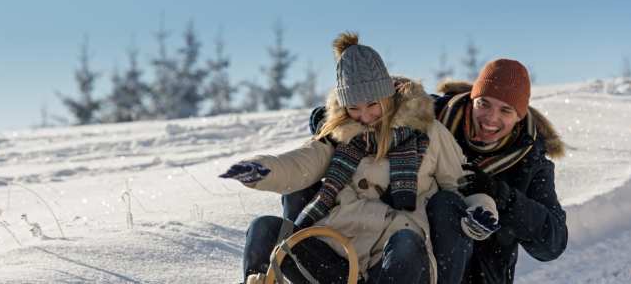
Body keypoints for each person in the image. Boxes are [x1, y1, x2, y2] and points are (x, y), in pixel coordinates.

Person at [221, 33, 498, 284]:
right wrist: (262, 169)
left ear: (387, 97)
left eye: (372, 105)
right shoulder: (338, 134)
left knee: (405, 243)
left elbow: (463, 185)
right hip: (339, 251)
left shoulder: (428, 132)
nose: (364, 117)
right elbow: (300, 163)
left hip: (400, 256)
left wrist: (481, 209)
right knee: (265, 228)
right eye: (354, 108)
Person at [302, 58, 568, 284]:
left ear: (520, 116)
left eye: (506, 110)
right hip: (396, 247)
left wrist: (503, 197)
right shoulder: (432, 115)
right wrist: (333, 121)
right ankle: (294, 254)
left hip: (477, 274)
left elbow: (552, 243)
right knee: (306, 183)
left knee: (448, 203)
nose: (491, 118)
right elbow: (380, 97)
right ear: (473, 98)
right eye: (484, 103)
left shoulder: (529, 163)